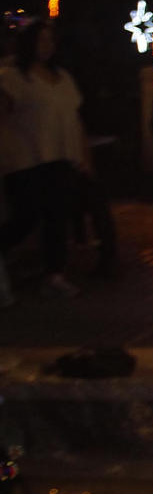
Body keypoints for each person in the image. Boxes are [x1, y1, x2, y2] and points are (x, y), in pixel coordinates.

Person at [0, 18, 88, 298]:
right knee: (26, 214)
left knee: (56, 216)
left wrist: (82, 154)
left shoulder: (62, 77)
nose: (47, 46)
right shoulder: (13, 77)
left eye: (50, 40)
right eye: (41, 40)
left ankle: (54, 273)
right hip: (26, 157)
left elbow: (74, 117)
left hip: (59, 156)